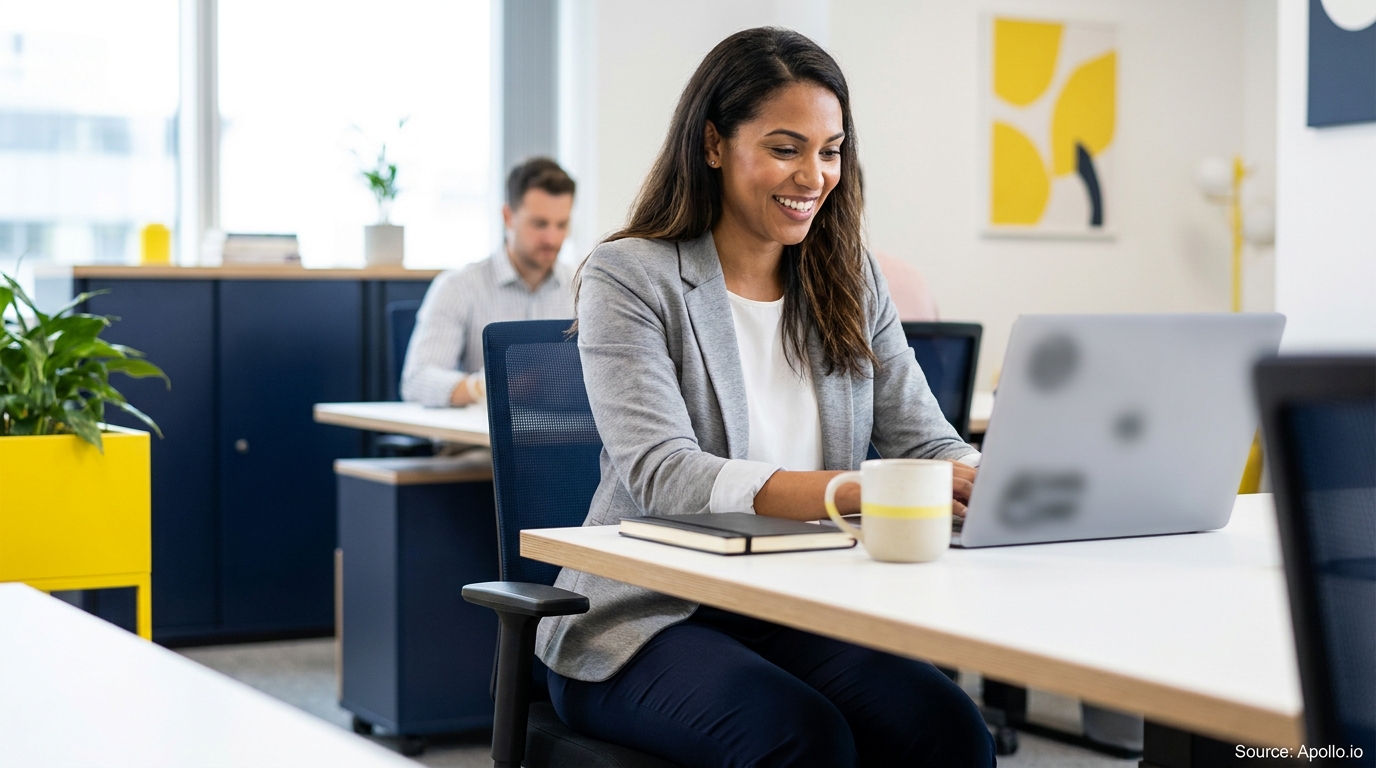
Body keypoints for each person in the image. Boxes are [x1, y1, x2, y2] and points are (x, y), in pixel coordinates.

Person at [539, 27, 994, 768]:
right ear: (714, 144)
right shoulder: (630, 275)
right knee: (802, 740)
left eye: (831, 149)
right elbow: (665, 474)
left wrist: (996, 480)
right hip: (645, 619)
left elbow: (925, 440)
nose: (813, 174)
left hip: (799, 604)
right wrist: (859, 491)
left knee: (949, 732)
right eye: (786, 148)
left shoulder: (849, 277)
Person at [400, 158, 576, 407]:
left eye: (562, 225)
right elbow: (417, 381)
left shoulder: (583, 289)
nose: (552, 238)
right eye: (539, 224)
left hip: (564, 437)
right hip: (480, 442)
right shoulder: (459, 288)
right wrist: (488, 387)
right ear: (508, 216)